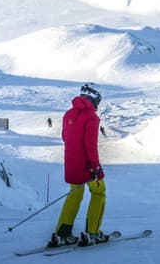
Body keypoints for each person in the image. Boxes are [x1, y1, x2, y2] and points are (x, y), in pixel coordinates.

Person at [48, 84, 108, 247]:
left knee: (75, 194)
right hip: (87, 166)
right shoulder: (91, 117)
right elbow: (90, 145)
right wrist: (95, 167)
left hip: (71, 164)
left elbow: (64, 138)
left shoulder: (68, 114)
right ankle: (93, 233)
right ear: (94, 98)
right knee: (99, 193)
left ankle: (62, 233)